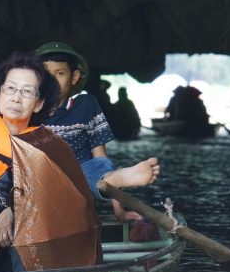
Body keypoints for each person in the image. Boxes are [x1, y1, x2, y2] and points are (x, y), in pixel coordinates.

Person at [0, 52, 101, 271]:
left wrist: (11, 212)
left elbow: (59, 201)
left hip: (27, 244)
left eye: (27, 92)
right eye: (10, 89)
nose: (16, 98)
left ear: (39, 103)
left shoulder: (47, 143)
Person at [35, 41, 159, 221]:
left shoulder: (86, 105)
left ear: (74, 77)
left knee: (95, 171)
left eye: (59, 73)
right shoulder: (27, 110)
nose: (52, 81)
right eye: (45, 74)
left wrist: (120, 211)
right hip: (40, 178)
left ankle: (121, 177)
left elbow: (100, 158)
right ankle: (117, 177)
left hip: (82, 177)